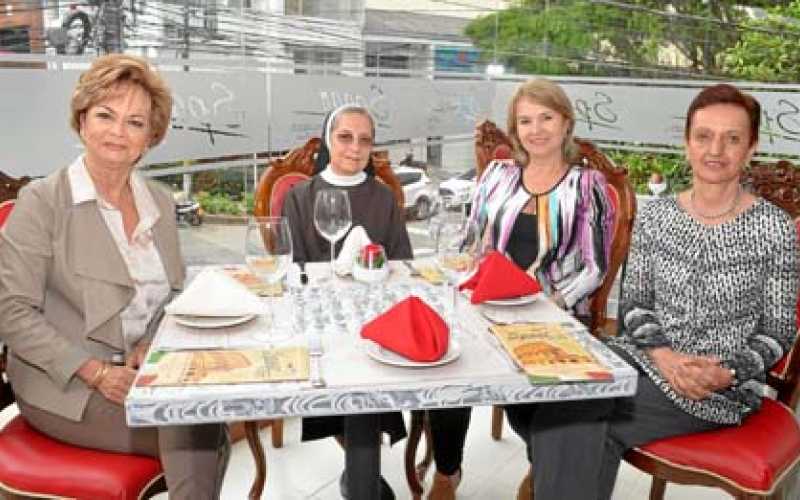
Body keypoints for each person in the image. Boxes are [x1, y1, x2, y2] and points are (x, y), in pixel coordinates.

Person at [519, 83, 799, 500]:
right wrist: (664, 357)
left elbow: (778, 331)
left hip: (716, 386)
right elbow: (634, 305)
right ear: (687, 143)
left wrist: (729, 371)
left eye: (732, 138)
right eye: (703, 136)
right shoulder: (659, 215)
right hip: (642, 359)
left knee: (566, 419)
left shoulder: (774, 228)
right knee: (546, 393)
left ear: (751, 147)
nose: (715, 149)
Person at [0, 54, 230, 499]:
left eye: (135, 122)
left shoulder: (159, 203)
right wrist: (97, 373)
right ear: (82, 120)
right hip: (65, 385)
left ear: (151, 136)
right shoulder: (42, 202)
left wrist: (150, 342)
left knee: (205, 420)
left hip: (142, 375)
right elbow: (10, 312)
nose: (117, 132)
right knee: (193, 433)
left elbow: (172, 294)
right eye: (105, 115)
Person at [425, 78, 617, 500]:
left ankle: (541, 461)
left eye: (546, 117)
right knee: (446, 365)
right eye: (525, 120)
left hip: (552, 314)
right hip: (488, 304)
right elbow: (469, 241)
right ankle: (446, 470)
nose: (537, 129)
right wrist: (462, 275)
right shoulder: (498, 173)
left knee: (530, 391)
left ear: (566, 122)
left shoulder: (588, 186)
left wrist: (546, 303)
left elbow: (595, 266)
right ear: (516, 129)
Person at [282, 104, 413, 499]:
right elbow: (294, 273)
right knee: (353, 381)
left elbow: (401, 265)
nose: (355, 148)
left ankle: (361, 479)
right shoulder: (301, 197)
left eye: (365, 139)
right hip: (322, 323)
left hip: (376, 318)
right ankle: (364, 480)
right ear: (328, 138)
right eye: (345, 137)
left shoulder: (384, 196)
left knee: (366, 373)